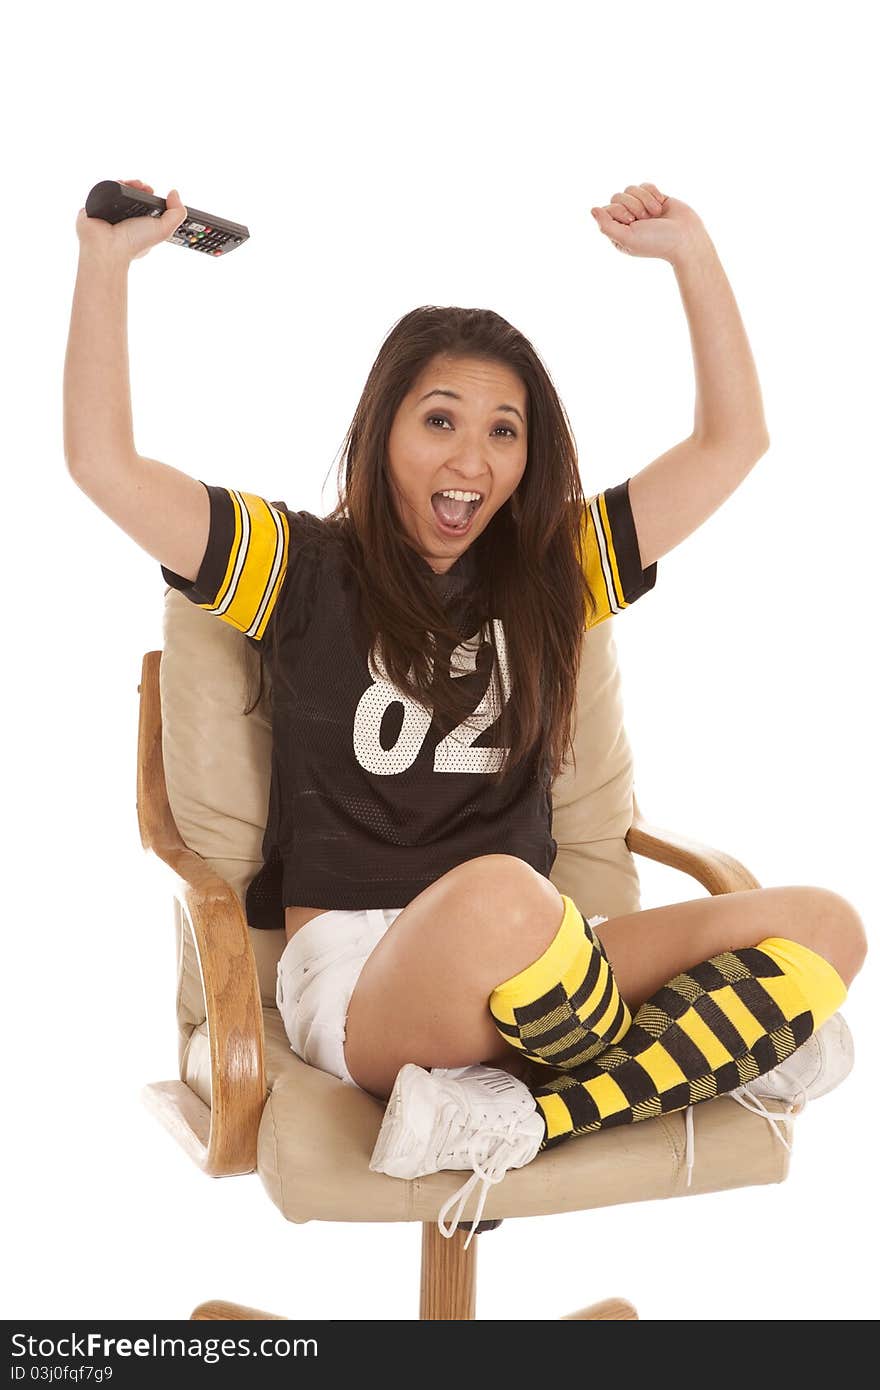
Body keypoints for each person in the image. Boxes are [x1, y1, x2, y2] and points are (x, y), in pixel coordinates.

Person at [65, 178, 867, 1248]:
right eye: (439, 420)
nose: (471, 460)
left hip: (546, 969)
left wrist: (693, 254)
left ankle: (525, 1109)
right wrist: (106, 264)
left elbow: (732, 444)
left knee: (824, 925)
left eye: (503, 430)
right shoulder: (297, 568)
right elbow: (102, 465)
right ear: (380, 428)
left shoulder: (553, 574)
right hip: (366, 979)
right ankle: (684, 1052)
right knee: (500, 896)